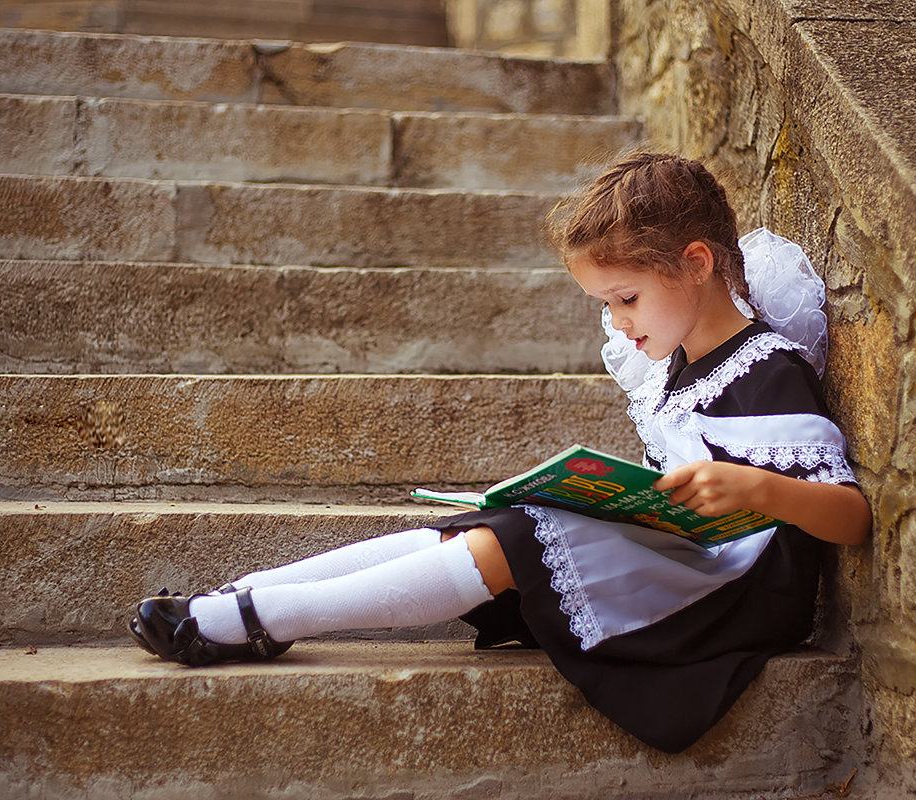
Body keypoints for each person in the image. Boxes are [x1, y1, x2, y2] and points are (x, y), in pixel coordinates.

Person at [129, 151, 871, 753]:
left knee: (521, 536)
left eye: (626, 299)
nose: (618, 323)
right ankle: (250, 595)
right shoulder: (677, 366)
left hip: (735, 588)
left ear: (698, 263)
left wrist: (758, 490)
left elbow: (851, 517)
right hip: (685, 555)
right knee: (499, 519)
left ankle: (274, 617)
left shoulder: (768, 369)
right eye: (606, 305)